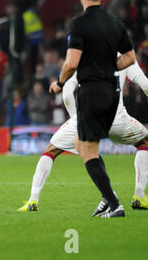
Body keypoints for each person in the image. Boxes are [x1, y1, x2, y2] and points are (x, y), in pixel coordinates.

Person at [49, 0, 136, 218]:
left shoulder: (79, 24)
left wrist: (59, 82)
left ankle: (113, 203)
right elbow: (129, 58)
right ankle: (108, 199)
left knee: (86, 149)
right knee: (85, 144)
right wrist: (108, 65)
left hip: (91, 91)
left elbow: (71, 63)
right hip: (113, 92)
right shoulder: (116, 22)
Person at [20, 60, 148, 212]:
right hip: (117, 120)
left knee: (51, 151)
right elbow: (145, 86)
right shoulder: (125, 56)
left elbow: (67, 95)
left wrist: (77, 120)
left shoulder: (83, 54)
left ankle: (33, 200)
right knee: (144, 143)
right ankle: (139, 196)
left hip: (86, 118)